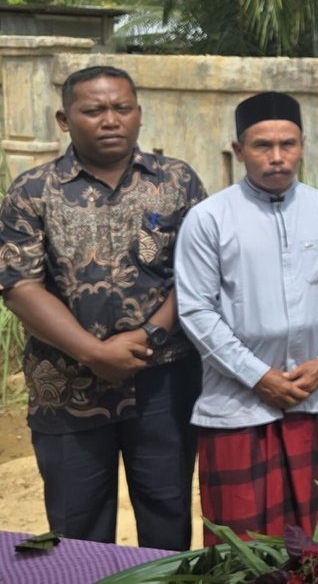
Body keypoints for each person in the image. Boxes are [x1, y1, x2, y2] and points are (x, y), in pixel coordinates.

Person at [0, 65, 206, 549]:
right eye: (94, 110)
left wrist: (149, 334)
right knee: (77, 527)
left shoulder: (177, 181)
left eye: (122, 108)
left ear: (139, 114)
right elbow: (19, 285)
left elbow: (200, 271)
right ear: (64, 120)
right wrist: (92, 351)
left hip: (164, 379)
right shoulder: (32, 191)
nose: (111, 120)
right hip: (67, 385)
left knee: (168, 513)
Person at [175, 92, 318, 543]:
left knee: (313, 535)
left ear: (302, 146)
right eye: (262, 146)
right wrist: (257, 376)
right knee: (242, 541)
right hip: (238, 404)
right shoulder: (209, 218)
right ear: (238, 151)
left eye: (288, 144)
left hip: (312, 397)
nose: (277, 157)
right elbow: (196, 309)